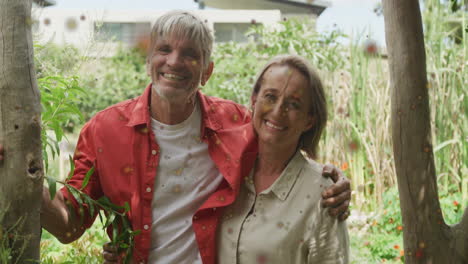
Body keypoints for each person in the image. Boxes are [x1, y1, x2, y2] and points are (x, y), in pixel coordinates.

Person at [0, 11, 350, 264]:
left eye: (191, 54)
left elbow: (282, 138)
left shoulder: (235, 123)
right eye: (165, 49)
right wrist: (19, 175)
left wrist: (330, 179)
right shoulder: (104, 131)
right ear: (150, 60)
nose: (175, 61)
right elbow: (69, 224)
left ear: (207, 71)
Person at [217, 55, 349, 263]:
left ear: (309, 120)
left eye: (294, 104)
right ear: (254, 100)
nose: (278, 111)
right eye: (270, 97)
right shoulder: (224, 171)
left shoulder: (323, 195)